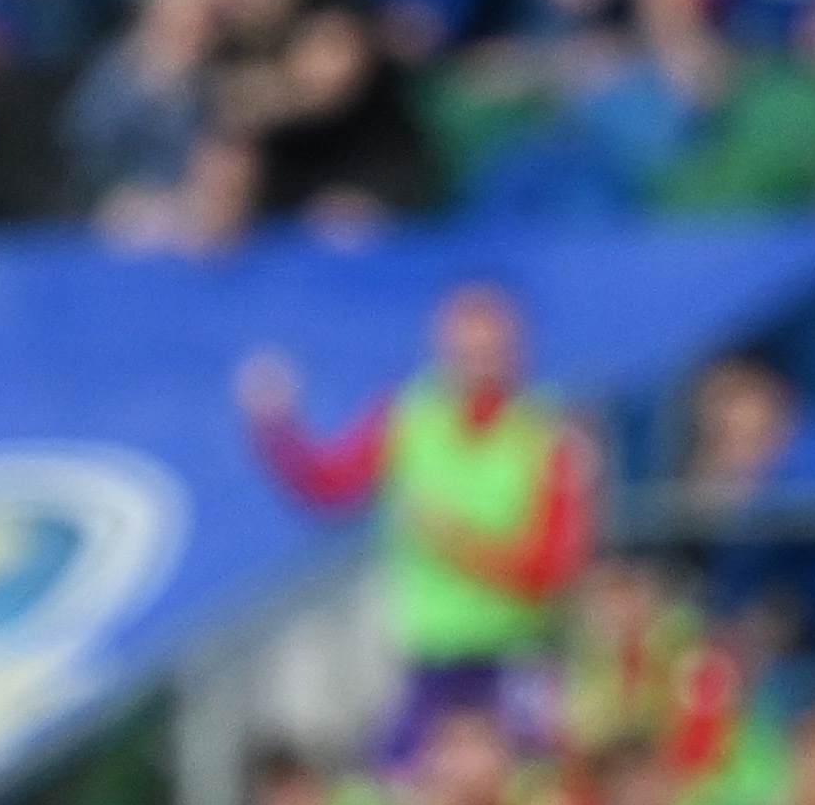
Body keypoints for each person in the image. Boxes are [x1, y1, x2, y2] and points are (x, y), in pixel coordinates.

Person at [237, 283, 594, 757]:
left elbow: (552, 568)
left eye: (490, 348)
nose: (477, 361)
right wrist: (275, 427)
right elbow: (329, 483)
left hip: (517, 652)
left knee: (533, 794)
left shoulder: (548, 429)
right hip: (432, 659)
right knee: (391, 798)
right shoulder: (410, 414)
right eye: (466, 347)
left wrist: (455, 542)